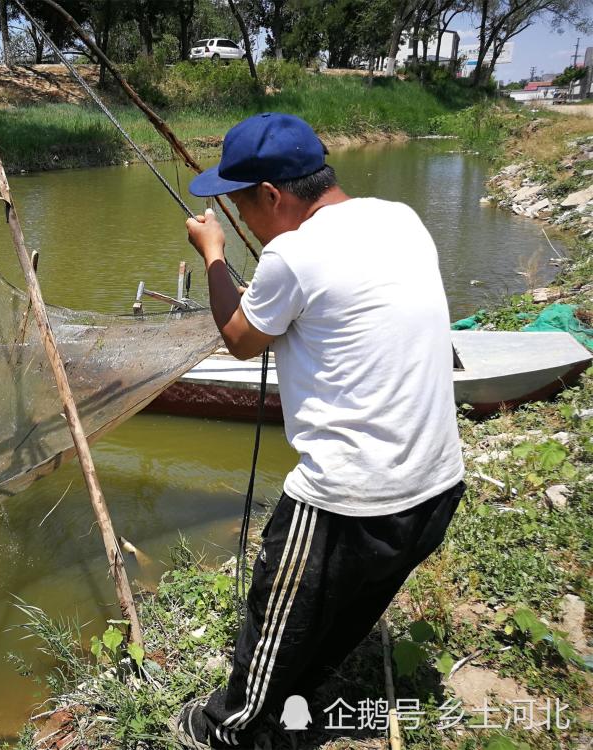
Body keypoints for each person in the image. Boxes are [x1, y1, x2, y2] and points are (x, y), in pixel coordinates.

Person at [171, 112, 465, 749]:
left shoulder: (292, 253)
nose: (244, 220)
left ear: (272, 196)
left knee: (277, 617)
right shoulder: (400, 218)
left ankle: (235, 727)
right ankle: (304, 707)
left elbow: (241, 340)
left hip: (349, 500)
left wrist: (214, 255)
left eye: (243, 207)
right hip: (437, 485)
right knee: (348, 611)